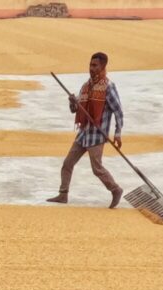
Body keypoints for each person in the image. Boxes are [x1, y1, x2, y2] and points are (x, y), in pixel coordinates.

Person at [47, 52, 124, 208]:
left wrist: (117, 133)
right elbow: (76, 110)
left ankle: (115, 189)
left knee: (97, 168)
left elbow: (118, 111)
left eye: (95, 65)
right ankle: (63, 194)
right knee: (68, 163)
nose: (91, 68)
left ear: (103, 67)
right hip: (84, 134)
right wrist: (72, 102)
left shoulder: (108, 87)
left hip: (97, 135)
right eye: (90, 65)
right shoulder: (86, 86)